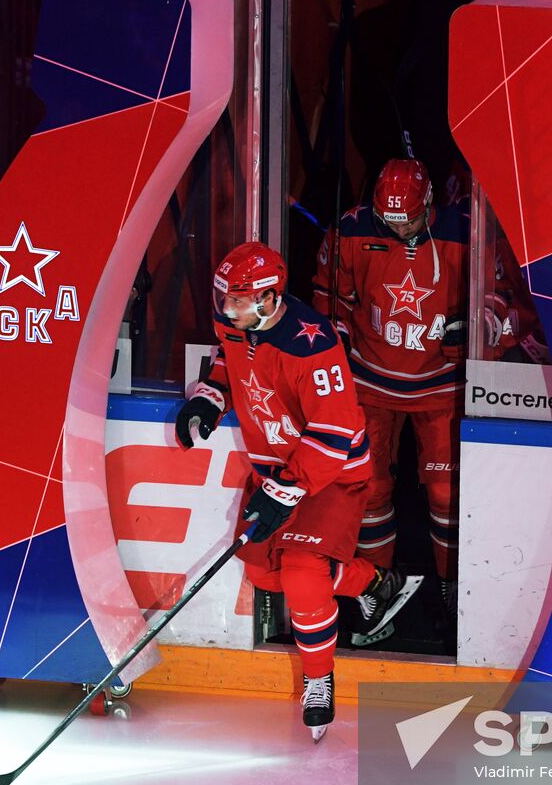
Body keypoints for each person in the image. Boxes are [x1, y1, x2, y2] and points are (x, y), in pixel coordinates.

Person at [175, 241, 421, 741]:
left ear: (269, 298)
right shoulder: (236, 323)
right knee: (267, 577)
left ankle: (319, 679)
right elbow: (230, 364)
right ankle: (372, 583)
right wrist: (208, 399)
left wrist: (284, 490)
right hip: (276, 471)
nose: (227, 309)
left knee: (305, 576)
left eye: (238, 300)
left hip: (330, 475)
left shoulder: (314, 346)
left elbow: (333, 436)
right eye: (224, 298)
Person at [313, 158, 479, 621]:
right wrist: (337, 346)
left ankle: (452, 581)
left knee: (447, 493)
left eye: (409, 220)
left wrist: (476, 326)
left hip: (441, 386)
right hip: (369, 382)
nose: (401, 229)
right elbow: (330, 300)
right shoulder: (350, 229)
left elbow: (501, 297)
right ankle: (377, 585)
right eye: (391, 222)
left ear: (431, 204)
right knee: (369, 489)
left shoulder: (467, 230)